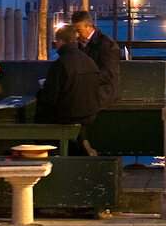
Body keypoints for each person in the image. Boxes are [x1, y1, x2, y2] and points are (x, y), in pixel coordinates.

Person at [36, 26, 103, 155]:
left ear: (60, 41)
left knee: (41, 116)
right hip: (89, 113)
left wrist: (40, 94)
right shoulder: (89, 61)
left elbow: (50, 97)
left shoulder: (60, 64)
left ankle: (45, 154)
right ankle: (81, 147)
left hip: (68, 115)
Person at [71, 10, 121, 107]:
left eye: (79, 31)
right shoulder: (77, 44)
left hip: (103, 93)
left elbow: (108, 74)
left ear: (89, 27)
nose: (76, 34)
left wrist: (82, 80)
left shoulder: (107, 45)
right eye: (75, 31)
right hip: (88, 90)